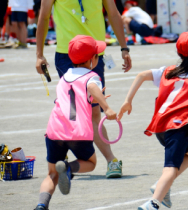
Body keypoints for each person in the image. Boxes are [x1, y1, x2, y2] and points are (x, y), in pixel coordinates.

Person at [118, 31, 188, 210]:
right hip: (177, 127)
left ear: (179, 53)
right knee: (171, 167)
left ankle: (161, 185)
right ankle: (153, 203)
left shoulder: (168, 71)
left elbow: (140, 75)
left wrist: (128, 101)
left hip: (160, 127)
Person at [35, 0, 132, 178]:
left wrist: (124, 48)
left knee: (92, 112)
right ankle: (104, 159)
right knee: (75, 110)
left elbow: (113, 13)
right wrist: (39, 54)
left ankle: (107, 161)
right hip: (67, 54)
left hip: (95, 54)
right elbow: (43, 16)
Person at [34, 35, 117, 210]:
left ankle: (41, 205)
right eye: (97, 54)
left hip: (55, 130)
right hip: (77, 132)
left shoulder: (64, 78)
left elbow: (72, 100)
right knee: (91, 163)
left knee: (52, 174)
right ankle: (68, 168)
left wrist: (95, 98)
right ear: (91, 59)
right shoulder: (92, 76)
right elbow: (92, 88)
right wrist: (106, 107)